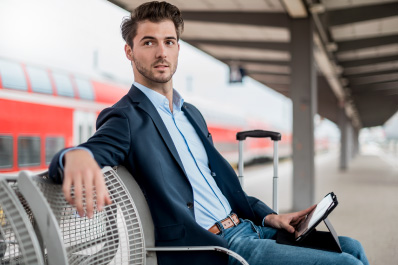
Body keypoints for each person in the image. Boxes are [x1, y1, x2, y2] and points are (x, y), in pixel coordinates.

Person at [49, 1, 369, 265]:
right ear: (129, 52)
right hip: (215, 247)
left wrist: (270, 217)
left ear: (177, 49)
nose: (161, 52)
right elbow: (91, 150)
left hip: (248, 229)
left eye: (169, 42)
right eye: (149, 42)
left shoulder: (191, 115)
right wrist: (74, 155)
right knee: (347, 264)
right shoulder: (126, 118)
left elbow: (220, 188)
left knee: (351, 247)